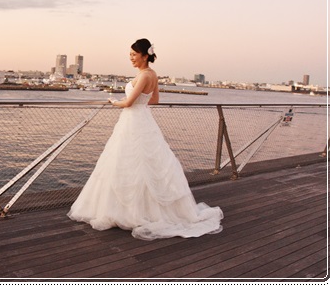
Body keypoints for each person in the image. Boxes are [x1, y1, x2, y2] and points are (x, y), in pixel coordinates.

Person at [68, 38, 223, 240]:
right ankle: (147, 210)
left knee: (126, 163)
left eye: (133, 54)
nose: (131, 58)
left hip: (133, 121)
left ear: (144, 55)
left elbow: (129, 102)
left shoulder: (143, 75)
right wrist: (140, 102)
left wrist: (113, 101)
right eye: (130, 55)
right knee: (147, 166)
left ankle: (130, 212)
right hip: (144, 120)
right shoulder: (153, 75)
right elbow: (155, 100)